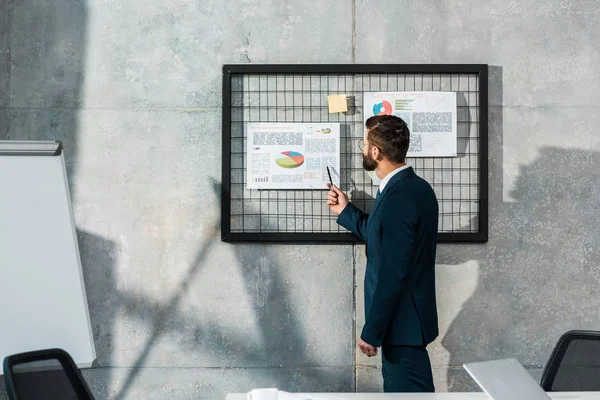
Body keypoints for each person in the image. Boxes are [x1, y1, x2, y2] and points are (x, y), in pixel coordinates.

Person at [327, 114, 439, 392]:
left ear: (375, 152)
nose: (362, 149)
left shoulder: (398, 196)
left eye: (364, 144)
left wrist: (372, 331)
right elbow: (385, 239)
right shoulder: (414, 188)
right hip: (405, 326)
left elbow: (392, 271)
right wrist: (346, 211)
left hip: (402, 327)